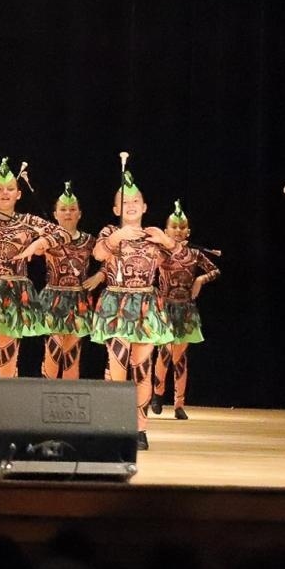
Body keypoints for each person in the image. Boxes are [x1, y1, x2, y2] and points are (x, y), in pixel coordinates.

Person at [0, 160, 63, 419]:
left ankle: (3, 394)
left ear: (18, 194)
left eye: (10, 189)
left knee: (7, 346)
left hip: (15, 290)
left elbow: (61, 234)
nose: (4, 193)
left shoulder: (27, 221)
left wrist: (37, 244)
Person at [89, 169, 175, 450]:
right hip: (116, 305)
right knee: (117, 366)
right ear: (116, 209)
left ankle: (139, 429)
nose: (131, 205)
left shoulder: (154, 236)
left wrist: (168, 242)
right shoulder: (109, 232)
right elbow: (98, 254)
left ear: (145, 206)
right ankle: (113, 426)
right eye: (125, 202)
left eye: (136, 200)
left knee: (142, 369)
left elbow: (181, 264)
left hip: (146, 307)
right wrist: (118, 237)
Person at [150, 200, 219, 419]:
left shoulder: (195, 255)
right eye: (174, 227)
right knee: (164, 352)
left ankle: (179, 404)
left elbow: (215, 270)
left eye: (182, 227)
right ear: (166, 230)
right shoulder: (161, 252)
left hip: (186, 309)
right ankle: (157, 394)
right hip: (165, 308)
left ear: (188, 231)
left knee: (180, 357)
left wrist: (200, 279)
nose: (178, 231)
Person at [37, 182, 103, 379]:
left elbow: (110, 259)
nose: (68, 213)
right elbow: (34, 250)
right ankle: (46, 391)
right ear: (55, 214)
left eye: (72, 209)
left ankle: (69, 394)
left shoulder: (89, 241)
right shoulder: (48, 238)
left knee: (72, 354)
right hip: (53, 300)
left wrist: (100, 275)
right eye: (63, 209)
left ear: (79, 214)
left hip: (78, 301)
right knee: (53, 349)